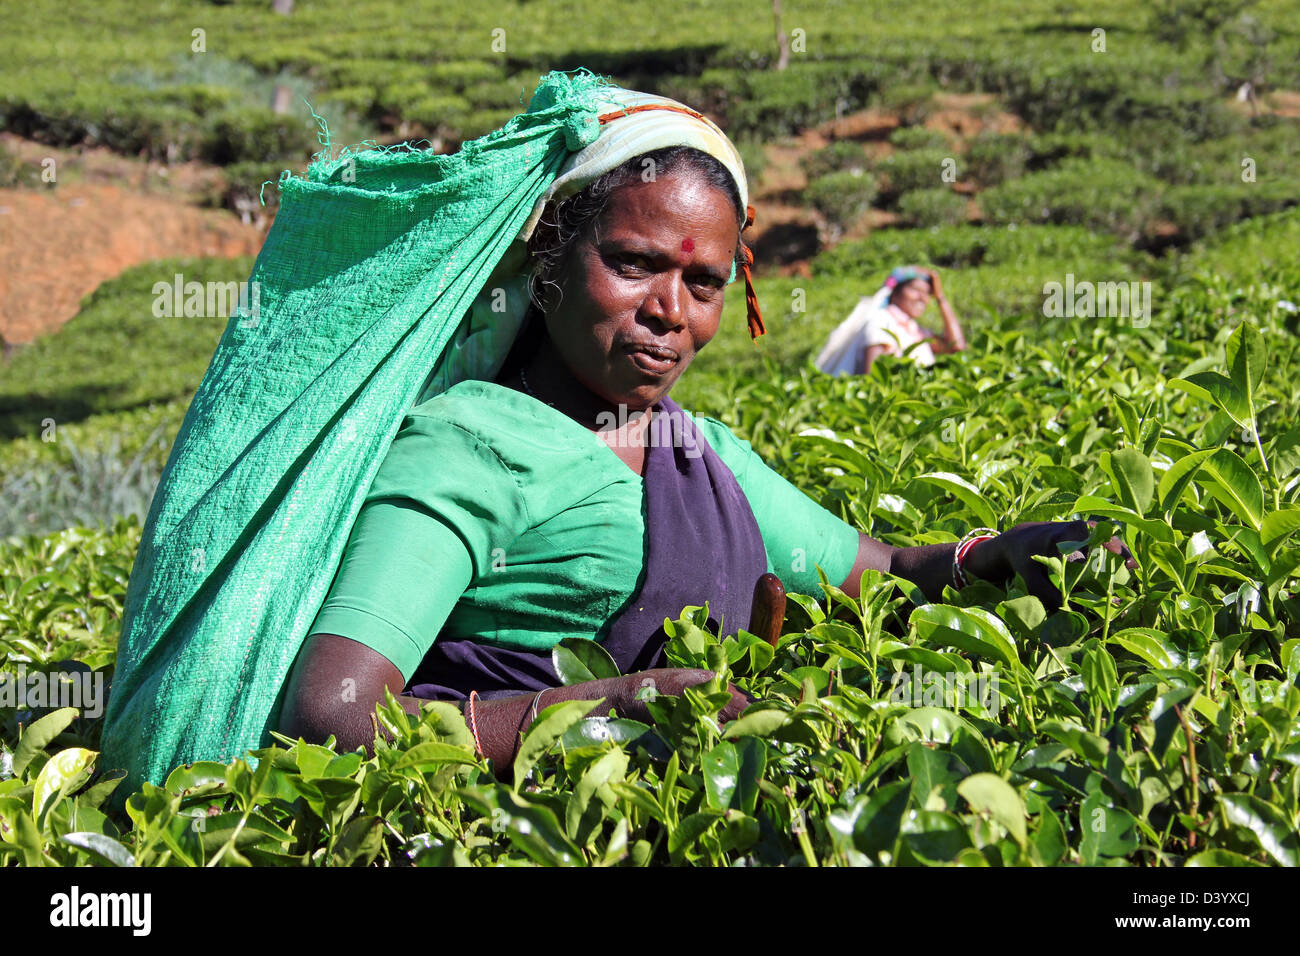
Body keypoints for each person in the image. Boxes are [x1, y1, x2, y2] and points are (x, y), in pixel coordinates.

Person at [277, 85, 1127, 773]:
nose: (668, 312)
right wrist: (591, 714)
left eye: (704, 282)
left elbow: (884, 574)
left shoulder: (695, 450)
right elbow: (332, 715)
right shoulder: (467, 446)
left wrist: (997, 556)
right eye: (633, 263)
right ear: (548, 260)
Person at [815, 265, 966, 376]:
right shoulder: (881, 322)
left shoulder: (915, 331)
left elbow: (956, 346)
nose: (922, 298)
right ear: (894, 293)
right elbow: (873, 379)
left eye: (927, 293)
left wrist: (941, 297)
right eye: (915, 290)